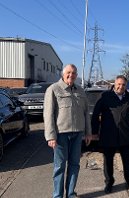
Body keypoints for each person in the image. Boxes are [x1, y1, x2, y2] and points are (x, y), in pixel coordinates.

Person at [44, 64, 93, 198]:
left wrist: (88, 133)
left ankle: (71, 193)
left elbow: (86, 113)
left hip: (78, 134)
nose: (71, 75)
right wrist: (50, 136)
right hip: (60, 135)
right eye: (69, 72)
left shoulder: (81, 91)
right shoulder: (53, 89)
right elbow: (48, 115)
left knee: (75, 165)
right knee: (59, 167)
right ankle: (57, 195)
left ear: (76, 76)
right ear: (63, 74)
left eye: (74, 73)